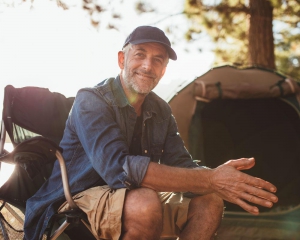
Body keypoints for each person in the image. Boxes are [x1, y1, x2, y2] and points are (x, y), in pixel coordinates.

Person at [24, 26, 278, 240]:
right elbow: (119, 170)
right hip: (76, 196)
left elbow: (181, 163)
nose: (148, 65)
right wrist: (212, 179)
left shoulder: (160, 109)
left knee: (210, 201)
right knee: (145, 203)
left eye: (158, 59)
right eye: (140, 55)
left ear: (164, 69)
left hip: (131, 195)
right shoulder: (91, 100)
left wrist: (220, 178)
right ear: (122, 59)